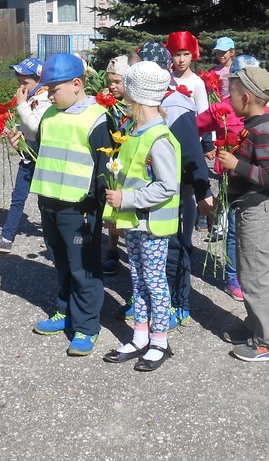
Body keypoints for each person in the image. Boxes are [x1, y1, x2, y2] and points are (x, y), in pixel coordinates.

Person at [23, 53, 110, 357]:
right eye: (46, 88)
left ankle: (87, 327)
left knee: (82, 266)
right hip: (49, 200)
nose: (47, 94)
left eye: (53, 88)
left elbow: (105, 166)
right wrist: (22, 144)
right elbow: (40, 151)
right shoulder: (49, 115)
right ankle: (65, 311)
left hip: (79, 207)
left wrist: (104, 208)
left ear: (76, 84)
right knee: (60, 260)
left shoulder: (97, 117)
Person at [101, 61, 181, 372]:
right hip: (134, 221)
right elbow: (129, 176)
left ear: (137, 95)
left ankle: (159, 341)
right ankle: (140, 335)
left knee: (154, 281)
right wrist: (117, 211)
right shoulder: (135, 130)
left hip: (152, 224)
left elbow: (167, 186)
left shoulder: (158, 137)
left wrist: (127, 200)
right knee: (137, 277)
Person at [207, 65, 269, 362]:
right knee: (247, 271)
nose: (228, 98)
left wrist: (236, 166)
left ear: (248, 97)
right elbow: (266, 154)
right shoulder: (255, 126)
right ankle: (255, 325)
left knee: (257, 277)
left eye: (233, 93)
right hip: (247, 209)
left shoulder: (261, 128)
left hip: (257, 210)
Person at [135, 42, 213, 330]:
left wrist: (204, 192)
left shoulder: (176, 104)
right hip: (146, 193)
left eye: (138, 66)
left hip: (175, 192)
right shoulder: (140, 104)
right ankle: (151, 300)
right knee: (148, 249)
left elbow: (193, 153)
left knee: (175, 246)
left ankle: (180, 303)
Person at [0, 57, 48, 254]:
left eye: (25, 82)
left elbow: (35, 126)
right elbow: (27, 127)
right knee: (18, 196)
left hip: (41, 153)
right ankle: (6, 237)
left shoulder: (45, 100)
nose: (21, 86)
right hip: (29, 154)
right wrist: (13, 131)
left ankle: (53, 241)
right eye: (19, 81)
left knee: (45, 200)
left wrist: (21, 105)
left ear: (39, 80)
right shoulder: (29, 99)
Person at [100, 55, 132, 275]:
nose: (112, 85)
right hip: (112, 162)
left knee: (128, 211)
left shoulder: (135, 106)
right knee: (112, 208)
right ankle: (112, 251)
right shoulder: (106, 104)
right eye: (109, 81)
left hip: (130, 165)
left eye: (117, 82)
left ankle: (132, 250)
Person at [166, 31, 209, 117]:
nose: (181, 60)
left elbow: (203, 115)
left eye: (186, 54)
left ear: (192, 55)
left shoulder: (197, 83)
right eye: (177, 55)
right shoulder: (167, 79)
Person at [211, 36, 236, 101]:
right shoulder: (214, 71)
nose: (220, 55)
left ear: (232, 52)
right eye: (218, 52)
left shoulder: (237, 69)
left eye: (223, 52)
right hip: (221, 105)